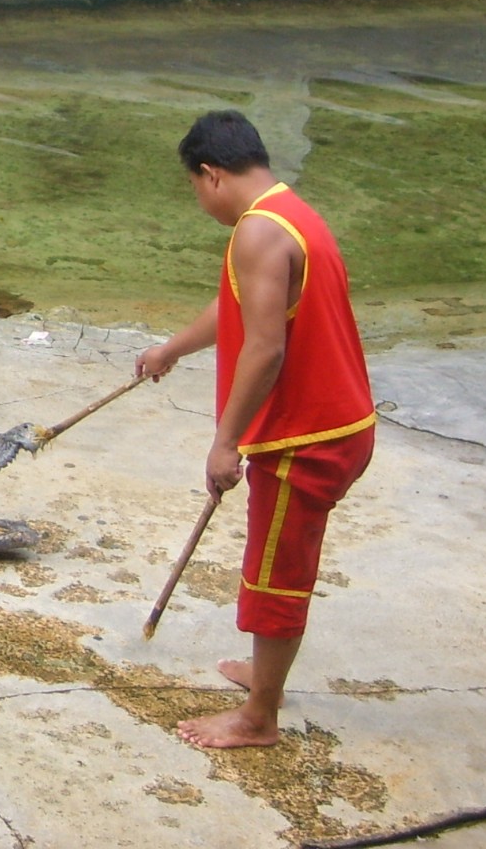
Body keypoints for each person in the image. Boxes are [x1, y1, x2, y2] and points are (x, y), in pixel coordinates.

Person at [135, 110, 376, 750]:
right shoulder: (289, 212)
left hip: (307, 437)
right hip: (338, 421)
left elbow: (265, 348)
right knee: (274, 558)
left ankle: (258, 718)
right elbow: (241, 304)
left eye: (194, 185)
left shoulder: (258, 234)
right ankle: (264, 674)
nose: (198, 198)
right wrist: (174, 349)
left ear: (211, 174)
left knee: (275, 569)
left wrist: (226, 443)